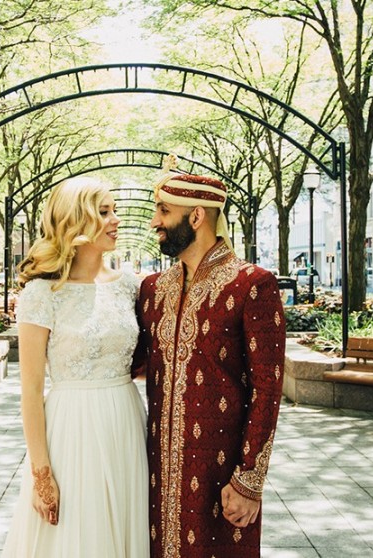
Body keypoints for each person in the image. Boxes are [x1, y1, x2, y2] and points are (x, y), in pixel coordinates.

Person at [132, 157, 286, 558]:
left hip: (221, 477)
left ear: (197, 216)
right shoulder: (152, 289)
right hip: (155, 476)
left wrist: (249, 481)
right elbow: (127, 362)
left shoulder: (251, 285)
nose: (154, 222)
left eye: (164, 211)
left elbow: (268, 390)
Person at [1, 177, 149, 558]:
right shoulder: (41, 293)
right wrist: (41, 473)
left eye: (114, 210)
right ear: (75, 221)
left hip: (126, 420)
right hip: (72, 427)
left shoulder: (130, 286)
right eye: (103, 212)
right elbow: (31, 391)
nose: (115, 219)